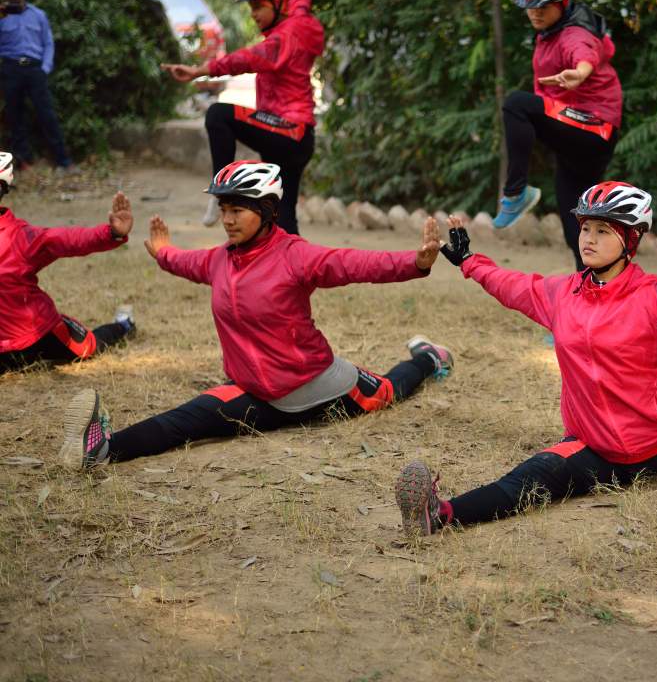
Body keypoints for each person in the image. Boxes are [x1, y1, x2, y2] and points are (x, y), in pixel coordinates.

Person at [394, 180, 657, 535]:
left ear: (629, 239)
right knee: (529, 478)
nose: (588, 239)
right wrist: (470, 261)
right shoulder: (563, 295)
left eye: (603, 230)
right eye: (585, 229)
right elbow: (511, 285)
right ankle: (439, 515)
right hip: (593, 447)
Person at [57, 160, 452, 469]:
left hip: (315, 383)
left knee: (387, 390)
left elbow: (354, 263)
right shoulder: (220, 260)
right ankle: (102, 450)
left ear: (266, 210)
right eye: (224, 209)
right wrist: (163, 254)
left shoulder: (296, 255)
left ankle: (431, 358)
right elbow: (187, 262)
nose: (227, 219)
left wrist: (413, 262)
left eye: (238, 210)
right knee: (186, 420)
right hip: (254, 390)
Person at [461, 0, 623, 270]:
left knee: (518, 104)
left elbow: (584, 54)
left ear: (562, 1)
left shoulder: (575, 33)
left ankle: (515, 192)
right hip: (577, 133)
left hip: (593, 126)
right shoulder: (554, 12)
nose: (534, 12)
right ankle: (597, 297)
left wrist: (580, 72)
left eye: (542, 6)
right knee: (577, 227)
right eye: (529, 5)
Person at [162, 0, 324, 236]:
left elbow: (246, 59)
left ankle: (221, 191)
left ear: (279, 2)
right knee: (281, 218)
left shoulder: (286, 37)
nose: (252, 14)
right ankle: (294, 278)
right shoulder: (298, 16)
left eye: (257, 6)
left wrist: (200, 70)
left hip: (289, 131)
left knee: (219, 114)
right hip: (295, 136)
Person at [0, 151, 136, 372]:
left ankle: (124, 325)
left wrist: (111, 232)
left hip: (39, 334)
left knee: (89, 346)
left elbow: (68, 239)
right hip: (14, 343)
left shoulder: (21, 237)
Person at [0, 0, 73, 170]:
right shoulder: (1, 15)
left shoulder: (38, 15)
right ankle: (24, 161)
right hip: (10, 69)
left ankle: (63, 161)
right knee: (15, 116)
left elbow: (48, 43)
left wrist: (44, 68)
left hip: (35, 70)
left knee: (46, 114)